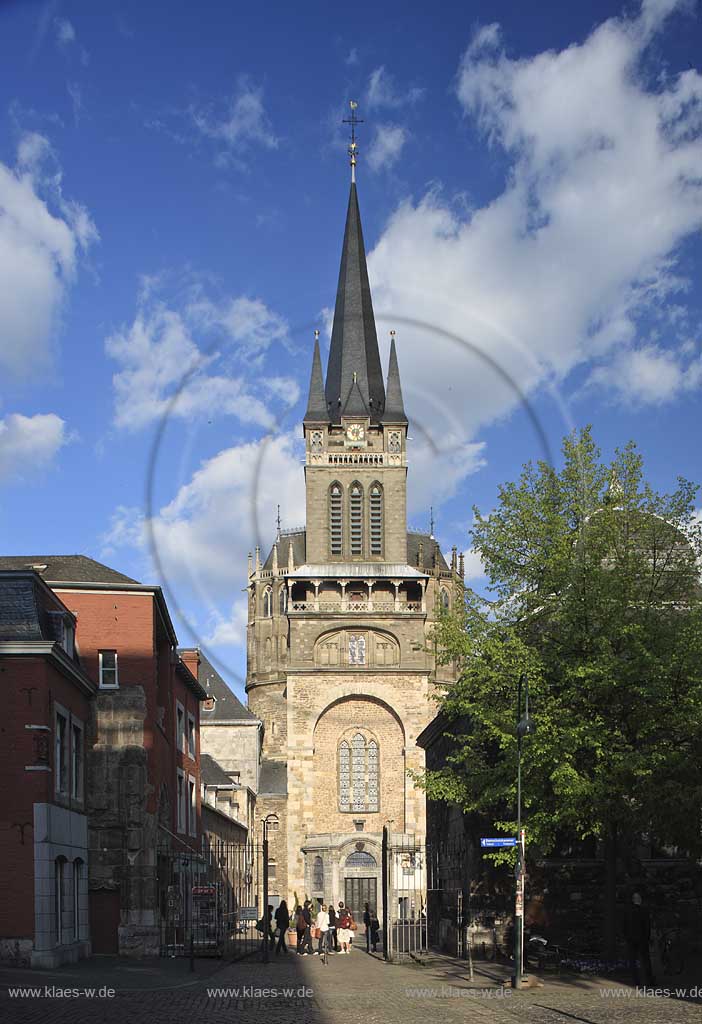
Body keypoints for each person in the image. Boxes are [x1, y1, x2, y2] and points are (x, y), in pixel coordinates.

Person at [623, 891, 654, 986]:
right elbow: (647, 926)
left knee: (633, 960)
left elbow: (624, 926)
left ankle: (636, 980)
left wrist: (627, 937)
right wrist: (647, 938)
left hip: (631, 939)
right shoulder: (644, 910)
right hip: (642, 939)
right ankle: (649, 980)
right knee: (645, 960)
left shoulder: (627, 910)